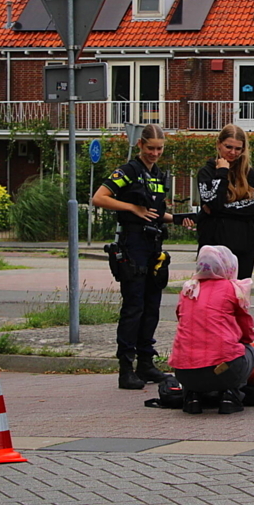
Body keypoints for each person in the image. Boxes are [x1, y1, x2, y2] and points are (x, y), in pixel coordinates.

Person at [92, 124, 176, 390]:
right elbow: (99, 198)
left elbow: (154, 211)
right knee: (134, 307)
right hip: (133, 244)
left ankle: (147, 364)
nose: (155, 153)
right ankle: (126, 368)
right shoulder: (128, 171)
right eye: (150, 148)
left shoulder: (159, 174)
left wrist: (179, 220)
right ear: (140, 145)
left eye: (159, 149)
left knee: (152, 305)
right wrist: (132, 207)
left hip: (153, 244)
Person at [169, 245, 254, 415]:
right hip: (223, 370)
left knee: (191, 352)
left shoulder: (188, 289)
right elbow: (247, 332)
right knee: (250, 352)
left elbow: (182, 319)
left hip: (183, 372)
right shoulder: (232, 289)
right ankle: (230, 395)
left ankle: (192, 398)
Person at [196, 124, 254, 279]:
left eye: (238, 148)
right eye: (228, 147)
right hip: (213, 247)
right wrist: (222, 173)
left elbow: (252, 209)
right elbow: (214, 203)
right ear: (219, 144)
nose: (233, 152)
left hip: (243, 248)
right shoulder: (207, 173)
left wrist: (220, 210)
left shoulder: (250, 175)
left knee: (238, 296)